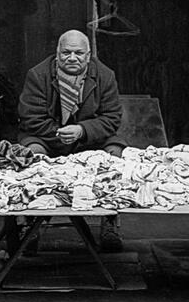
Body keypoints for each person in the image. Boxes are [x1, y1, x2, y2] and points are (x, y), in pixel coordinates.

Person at [18, 29, 125, 251]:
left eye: (78, 53)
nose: (72, 58)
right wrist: (61, 135)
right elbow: (31, 118)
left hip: (89, 139)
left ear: (88, 55)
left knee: (115, 155)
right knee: (32, 156)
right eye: (66, 53)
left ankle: (110, 221)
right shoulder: (38, 75)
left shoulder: (105, 76)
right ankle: (30, 224)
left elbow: (112, 118)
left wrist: (82, 131)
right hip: (47, 137)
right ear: (57, 53)